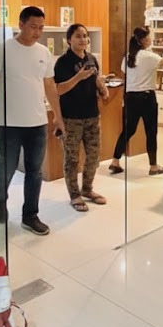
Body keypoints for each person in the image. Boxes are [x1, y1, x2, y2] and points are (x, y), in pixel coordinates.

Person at [0, 6, 64, 236]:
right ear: (20, 24)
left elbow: (49, 86)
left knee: (34, 171)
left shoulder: (44, 52)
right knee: (6, 167)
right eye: (33, 27)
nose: (37, 32)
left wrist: (58, 116)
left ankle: (30, 216)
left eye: (41, 28)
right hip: (8, 123)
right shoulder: (1, 50)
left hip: (37, 122)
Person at [54, 23, 109, 212]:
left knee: (94, 155)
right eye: (78, 36)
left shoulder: (91, 58)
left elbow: (95, 78)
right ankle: (74, 195)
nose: (83, 39)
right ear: (69, 40)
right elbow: (58, 89)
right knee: (72, 158)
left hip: (92, 115)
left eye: (85, 36)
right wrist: (78, 77)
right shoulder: (62, 62)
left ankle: (87, 189)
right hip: (71, 118)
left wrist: (102, 88)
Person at [109, 25, 163, 176]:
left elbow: (125, 72)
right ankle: (154, 166)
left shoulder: (128, 56)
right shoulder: (149, 56)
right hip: (146, 97)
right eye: (149, 36)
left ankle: (115, 161)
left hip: (131, 97)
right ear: (143, 40)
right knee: (151, 132)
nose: (150, 39)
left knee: (128, 130)